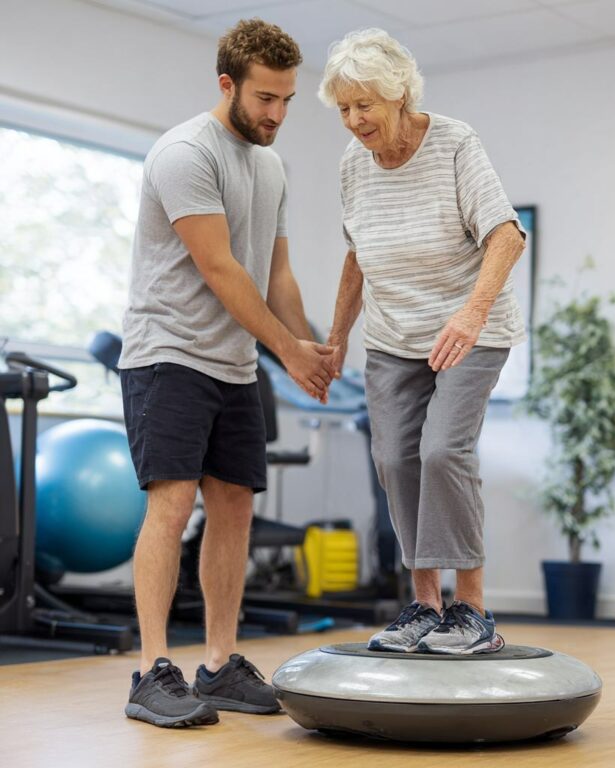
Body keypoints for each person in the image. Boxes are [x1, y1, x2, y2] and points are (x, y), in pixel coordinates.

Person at [118, 19, 334, 727]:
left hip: (234, 363)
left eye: (287, 100)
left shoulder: (272, 166)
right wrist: (285, 350)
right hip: (169, 354)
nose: (276, 113)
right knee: (173, 505)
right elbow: (220, 269)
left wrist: (309, 346)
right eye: (265, 98)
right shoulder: (184, 153)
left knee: (235, 508)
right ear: (227, 84)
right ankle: (152, 671)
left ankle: (216, 664)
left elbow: (276, 275)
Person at [319, 29, 526, 655]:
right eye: (345, 108)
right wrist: (335, 341)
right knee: (395, 460)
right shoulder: (354, 165)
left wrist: (469, 314)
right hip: (392, 337)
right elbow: (358, 257)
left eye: (366, 106)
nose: (355, 121)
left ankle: (474, 613)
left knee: (442, 453)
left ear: (400, 95)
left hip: (471, 331)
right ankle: (424, 606)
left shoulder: (455, 144)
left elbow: (508, 236)